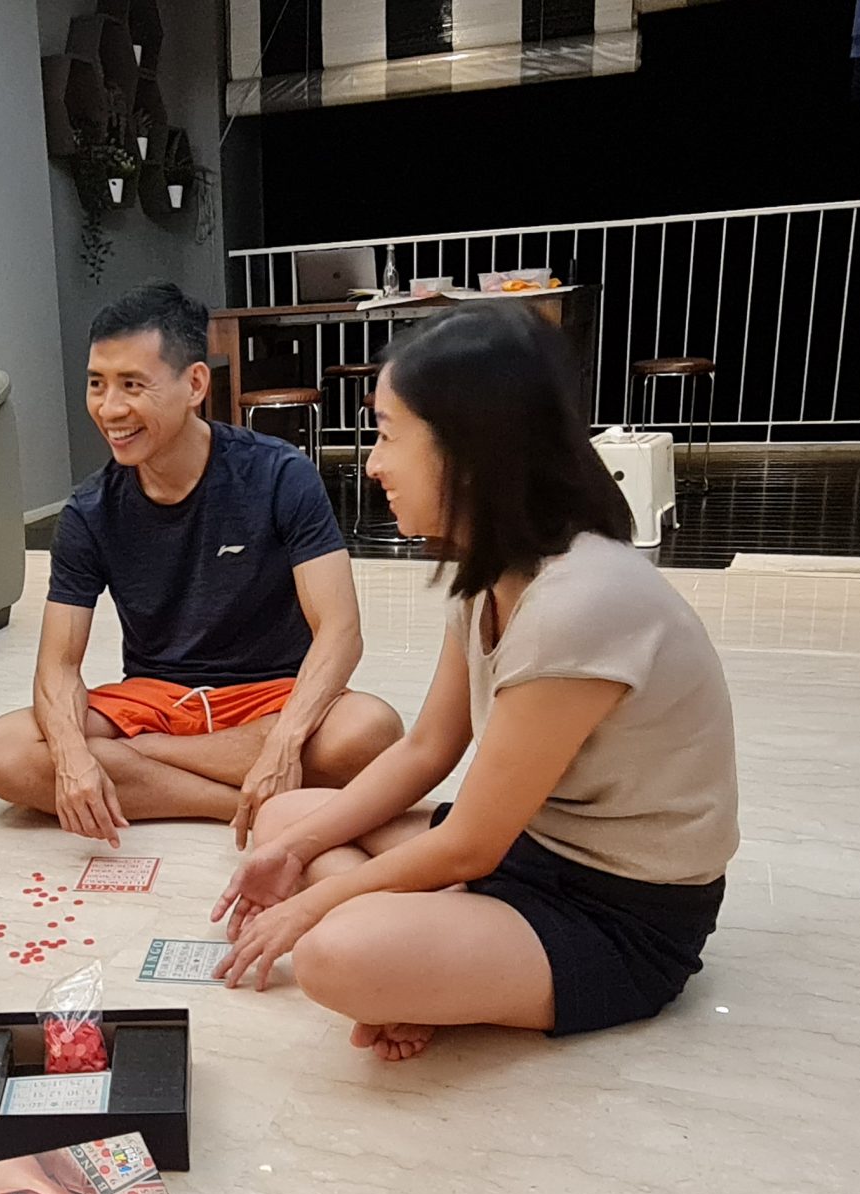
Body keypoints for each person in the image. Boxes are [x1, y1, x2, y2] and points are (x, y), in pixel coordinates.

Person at [209, 306, 738, 1061]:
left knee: (335, 953)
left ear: (466, 448)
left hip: (621, 912)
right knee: (289, 818)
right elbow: (426, 747)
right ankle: (445, 959)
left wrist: (308, 907)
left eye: (389, 435)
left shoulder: (582, 600)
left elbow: (470, 845)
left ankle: (439, 962)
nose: (373, 464)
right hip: (531, 848)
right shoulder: (488, 570)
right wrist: (297, 853)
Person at [0, 282, 404, 847]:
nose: (109, 408)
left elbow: (341, 632)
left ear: (194, 383)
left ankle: (151, 769)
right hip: (154, 698)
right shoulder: (89, 511)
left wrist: (282, 741)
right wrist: (74, 757)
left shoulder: (277, 475)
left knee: (371, 731)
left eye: (132, 385)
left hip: (268, 695)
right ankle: (241, 803)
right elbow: (58, 665)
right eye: (97, 384)